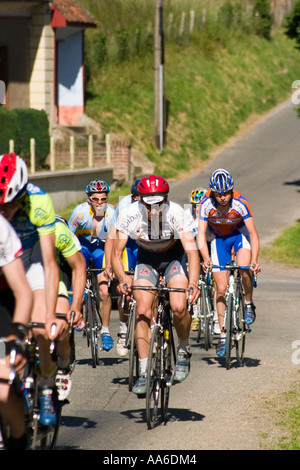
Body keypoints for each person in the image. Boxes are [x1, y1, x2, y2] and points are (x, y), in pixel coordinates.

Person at [112, 175, 200, 395]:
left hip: (174, 259)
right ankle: (143, 372)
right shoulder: (129, 214)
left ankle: (183, 349)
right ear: (140, 201)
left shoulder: (177, 213)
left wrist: (193, 284)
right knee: (142, 310)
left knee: (179, 305)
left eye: (159, 203)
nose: (154, 209)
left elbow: (192, 252)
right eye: (150, 205)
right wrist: (123, 278)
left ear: (166, 199)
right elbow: (115, 252)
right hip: (147, 260)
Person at [0, 153, 66, 426]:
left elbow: (50, 264)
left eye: (11, 204)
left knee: (40, 329)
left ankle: (48, 383)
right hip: (5, 265)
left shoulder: (39, 202)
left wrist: (50, 314)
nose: (5, 211)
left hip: (32, 261)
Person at [197, 169, 261, 357]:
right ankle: (223, 335)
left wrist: (255, 261)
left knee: (243, 269)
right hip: (218, 240)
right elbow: (201, 235)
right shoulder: (205, 204)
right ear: (213, 192)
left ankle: (248, 303)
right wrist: (206, 259)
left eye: (226, 193)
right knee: (221, 287)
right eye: (219, 193)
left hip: (239, 236)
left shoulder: (241, 202)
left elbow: (253, 234)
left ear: (232, 190)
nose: (223, 197)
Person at [68, 179, 115, 351]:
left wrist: (109, 266)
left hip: (102, 249)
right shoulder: (79, 213)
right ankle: (78, 310)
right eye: (96, 199)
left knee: (104, 290)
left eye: (103, 199)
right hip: (83, 248)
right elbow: (68, 238)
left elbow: (113, 243)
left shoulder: (112, 214)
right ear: (89, 199)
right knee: (77, 276)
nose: (100, 203)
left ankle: (106, 331)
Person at [0, 214, 33, 449]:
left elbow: (22, 291)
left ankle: (18, 440)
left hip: (2, 303)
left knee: (2, 390)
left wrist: (17, 336)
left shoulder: (2, 230)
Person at [106, 179, 140, 357]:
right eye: (135, 198)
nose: (139, 201)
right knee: (125, 290)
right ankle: (123, 329)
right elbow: (111, 237)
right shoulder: (124, 206)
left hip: (145, 244)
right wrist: (109, 264)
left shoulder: (157, 206)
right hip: (126, 244)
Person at [54, 215, 86, 400]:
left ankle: (63, 366)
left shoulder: (58, 229)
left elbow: (78, 266)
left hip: (59, 271)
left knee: (61, 322)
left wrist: (75, 305)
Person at [184, 187, 209, 332]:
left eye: (201, 206)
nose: (197, 209)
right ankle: (194, 312)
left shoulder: (212, 214)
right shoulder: (187, 216)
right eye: (195, 206)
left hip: (209, 246)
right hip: (194, 248)